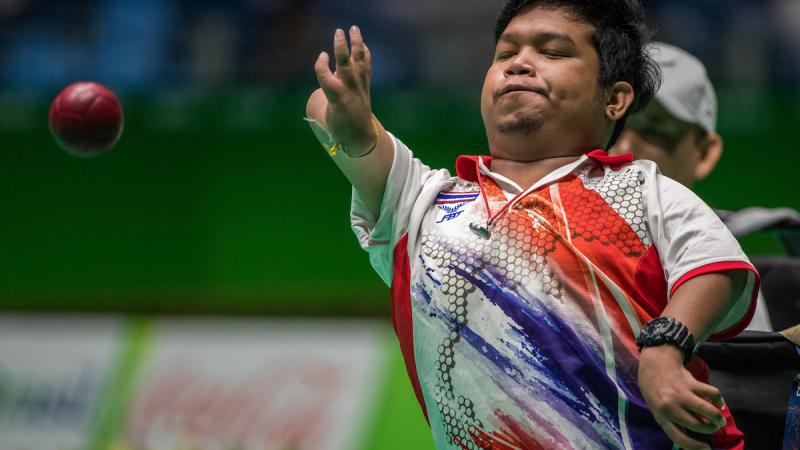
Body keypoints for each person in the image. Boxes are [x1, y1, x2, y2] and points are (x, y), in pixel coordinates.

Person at [306, 1, 759, 448]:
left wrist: (665, 349)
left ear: (615, 99)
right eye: (506, 53)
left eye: (553, 52)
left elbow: (718, 268)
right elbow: (328, 113)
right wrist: (353, 131)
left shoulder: (643, 190)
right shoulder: (420, 203)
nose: (520, 63)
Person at [609, 42, 779, 332]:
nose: (623, 147)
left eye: (656, 132)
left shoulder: (717, 260)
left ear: (704, 153)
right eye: (614, 122)